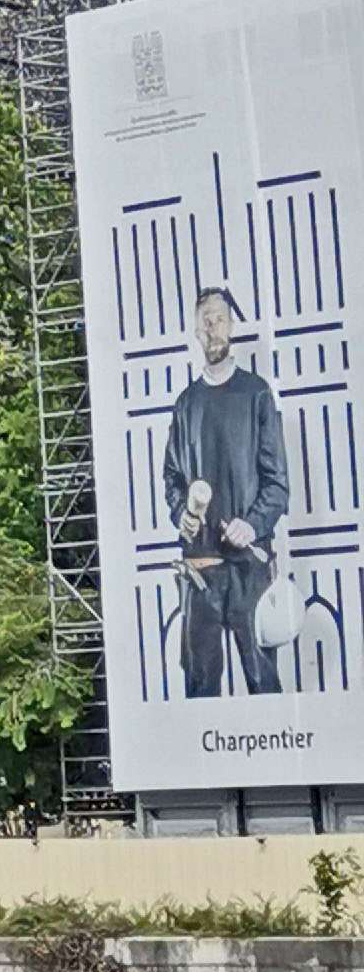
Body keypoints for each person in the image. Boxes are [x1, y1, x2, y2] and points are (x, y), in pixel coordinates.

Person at [161, 285, 290, 697]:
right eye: (206, 321)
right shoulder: (186, 404)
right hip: (200, 570)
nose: (213, 327)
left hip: (249, 567)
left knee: (263, 682)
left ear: (231, 326)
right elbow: (172, 479)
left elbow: (277, 483)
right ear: (196, 331)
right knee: (200, 688)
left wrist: (252, 525)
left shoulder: (256, 394)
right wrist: (182, 514)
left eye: (219, 319)